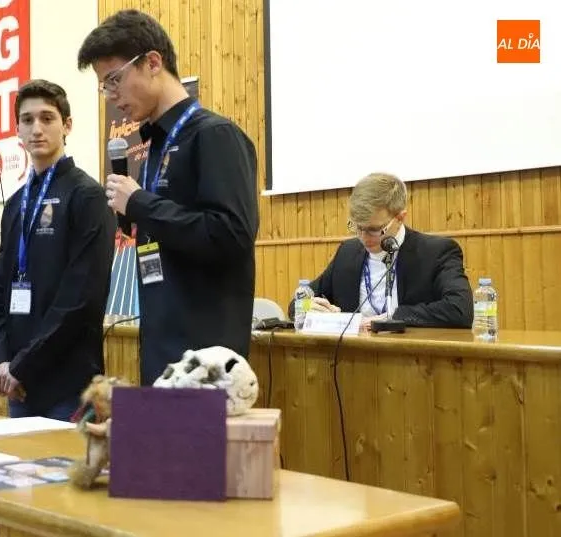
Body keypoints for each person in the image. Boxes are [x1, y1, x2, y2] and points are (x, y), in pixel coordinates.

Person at [77, 10, 259, 386]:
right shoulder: (154, 147)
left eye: (114, 79)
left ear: (153, 63)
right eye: (103, 86)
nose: (110, 95)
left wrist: (140, 203)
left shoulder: (214, 135)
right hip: (162, 350)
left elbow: (231, 234)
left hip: (206, 360)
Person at [0, 79, 116, 420]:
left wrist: (23, 365)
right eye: (27, 120)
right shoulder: (16, 204)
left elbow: (81, 298)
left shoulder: (87, 196)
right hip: (18, 384)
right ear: (17, 130)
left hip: (68, 384)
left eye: (47, 118)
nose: (36, 129)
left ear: (67, 125)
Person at [288, 172, 473, 329]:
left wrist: (393, 317)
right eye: (357, 227)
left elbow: (460, 310)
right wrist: (307, 307)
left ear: (400, 218)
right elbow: (296, 304)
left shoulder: (436, 252)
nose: (364, 237)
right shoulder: (348, 252)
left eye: (374, 230)